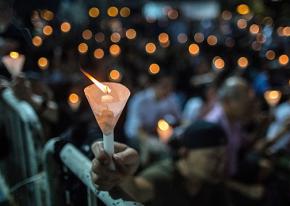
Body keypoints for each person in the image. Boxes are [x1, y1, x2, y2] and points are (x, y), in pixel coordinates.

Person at [91, 121, 231, 206]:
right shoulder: (164, 176)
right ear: (185, 153)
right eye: (213, 157)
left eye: (224, 158)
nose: (221, 164)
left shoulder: (210, 182)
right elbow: (137, 192)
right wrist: (122, 172)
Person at [203, 76, 254, 177]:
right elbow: (211, 174)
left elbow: (244, 143)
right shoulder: (214, 125)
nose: (246, 106)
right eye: (243, 101)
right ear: (227, 101)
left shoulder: (234, 120)